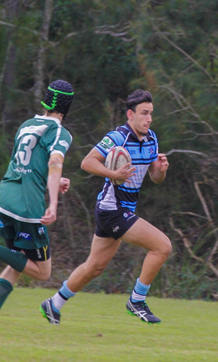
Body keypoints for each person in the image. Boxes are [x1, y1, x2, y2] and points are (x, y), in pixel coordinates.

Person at [40, 89, 171, 326]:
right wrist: (113, 174)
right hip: (112, 209)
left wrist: (160, 170)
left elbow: (155, 177)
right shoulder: (118, 137)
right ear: (130, 114)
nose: (149, 118)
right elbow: (87, 162)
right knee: (162, 246)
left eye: (151, 113)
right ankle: (137, 300)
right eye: (144, 113)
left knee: (94, 267)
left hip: (120, 210)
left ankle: (54, 303)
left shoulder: (151, 138)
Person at [0, 80, 75, 335]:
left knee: (18, 262)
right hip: (27, 209)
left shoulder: (27, 125)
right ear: (67, 107)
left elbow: (28, 167)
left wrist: (55, 182)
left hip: (4, 201)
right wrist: (53, 203)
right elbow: (54, 163)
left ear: (46, 100)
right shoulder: (60, 132)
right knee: (42, 272)